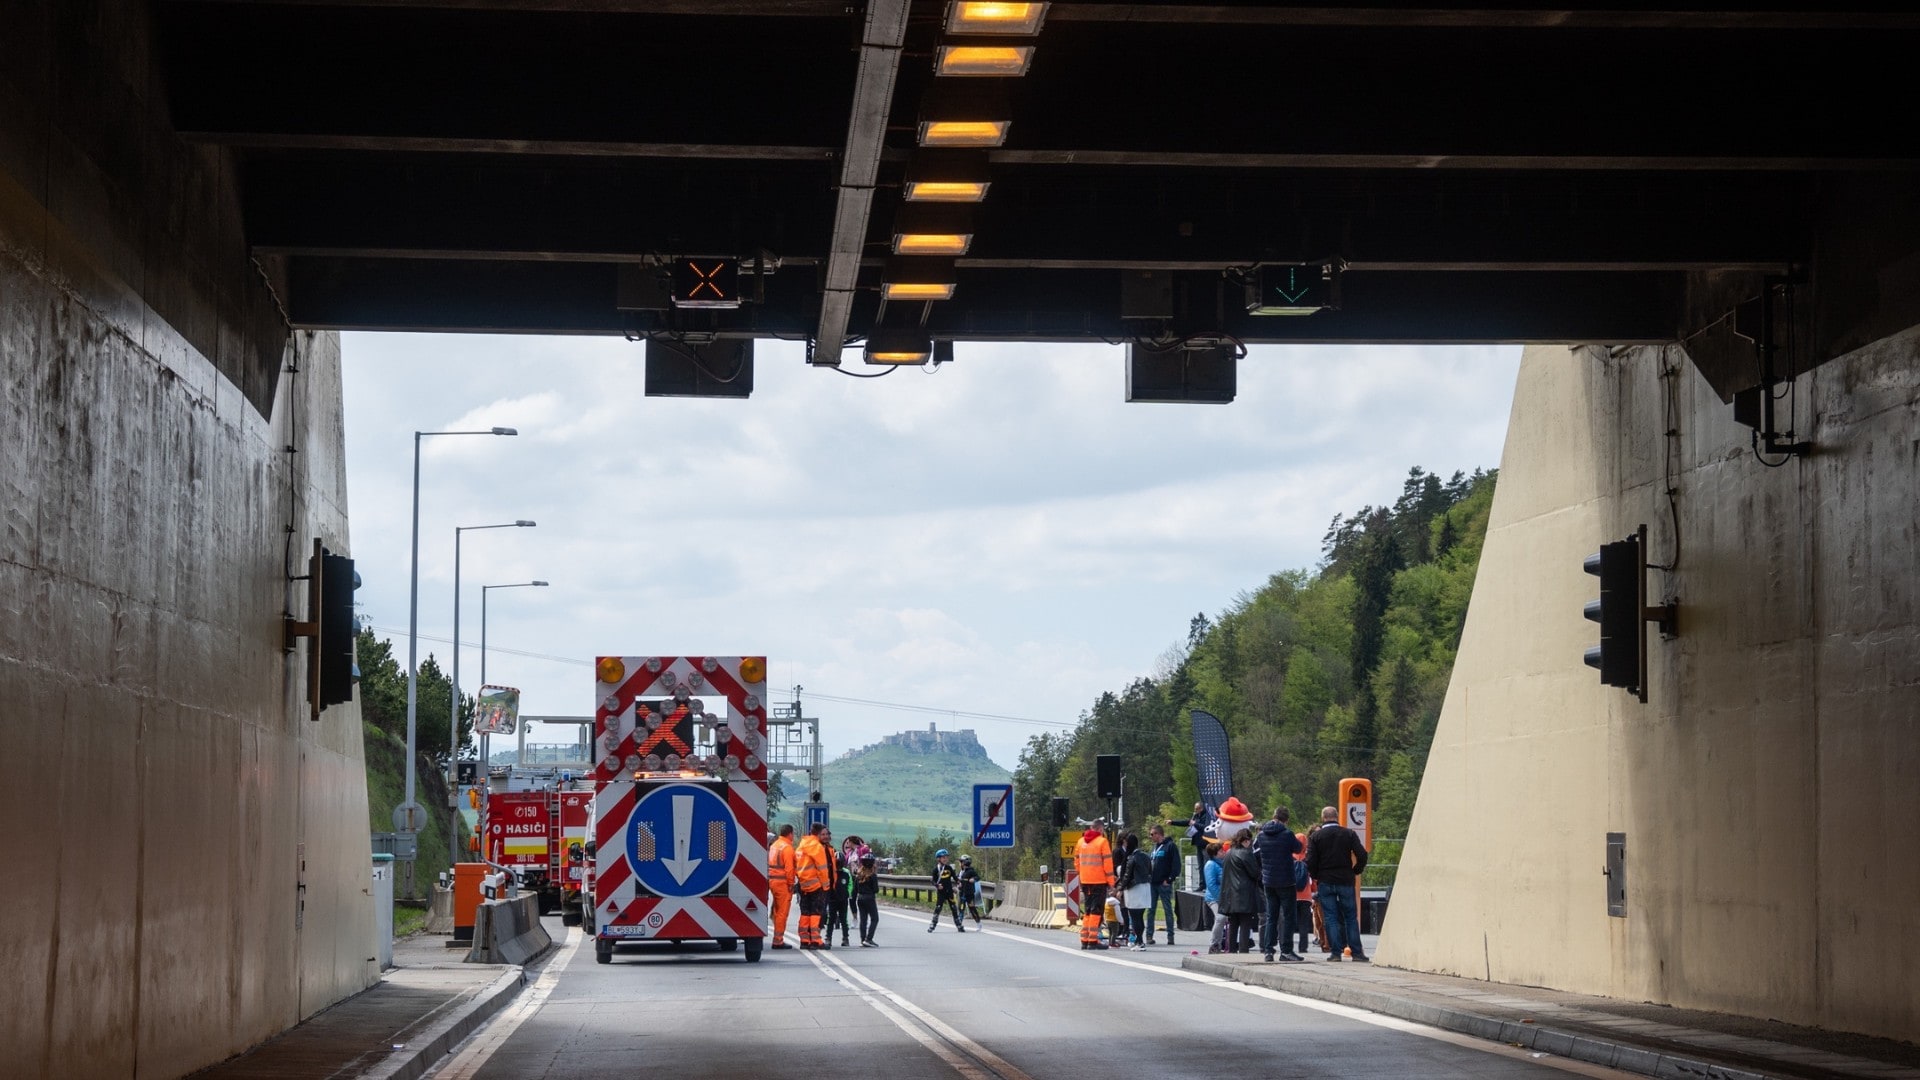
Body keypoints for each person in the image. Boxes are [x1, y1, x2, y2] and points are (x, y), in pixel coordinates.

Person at [1305, 805, 1370, 962]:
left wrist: (1316, 875)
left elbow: (1310, 861)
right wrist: (1356, 870)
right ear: (1337, 816)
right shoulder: (1348, 834)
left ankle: (1335, 953)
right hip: (1345, 880)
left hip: (1326, 881)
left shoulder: (1316, 837)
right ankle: (1357, 952)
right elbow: (1362, 854)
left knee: (1331, 917)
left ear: (1323, 818)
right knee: (1350, 917)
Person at [1254, 806, 1305, 962]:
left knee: (1271, 916)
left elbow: (1255, 854)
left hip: (1268, 881)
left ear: (1273, 816)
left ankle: (1268, 951)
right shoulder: (1287, 834)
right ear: (1286, 820)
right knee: (1289, 916)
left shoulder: (1261, 835)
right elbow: (1298, 848)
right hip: (1286, 880)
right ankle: (1286, 951)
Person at [1073, 820, 1114, 950]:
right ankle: (1093, 940)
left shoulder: (1080, 842)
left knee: (1088, 910)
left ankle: (1084, 939)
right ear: (1101, 829)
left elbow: (1076, 862)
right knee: (1096, 911)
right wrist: (1111, 882)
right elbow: (1107, 864)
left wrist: (1081, 875)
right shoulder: (1102, 842)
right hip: (1099, 881)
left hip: (1085, 881)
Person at [1220, 831, 1262, 953]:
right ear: (1246, 840)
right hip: (1244, 893)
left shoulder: (1229, 853)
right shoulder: (1246, 853)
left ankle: (1232, 949)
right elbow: (1255, 873)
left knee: (1233, 924)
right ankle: (1243, 950)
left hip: (1230, 894)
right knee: (1245, 923)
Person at [795, 823, 832, 949]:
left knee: (805, 912)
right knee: (816, 912)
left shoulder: (801, 845)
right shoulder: (817, 847)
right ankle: (816, 940)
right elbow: (822, 868)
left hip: (803, 884)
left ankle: (804, 940)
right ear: (818, 832)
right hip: (816, 885)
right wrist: (826, 885)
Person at [1145, 824, 1180, 945]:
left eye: (1152, 834)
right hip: (1152, 883)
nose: (1150, 836)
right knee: (1150, 910)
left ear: (1158, 834)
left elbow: (1176, 865)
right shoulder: (1154, 848)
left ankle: (1170, 936)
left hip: (1164, 883)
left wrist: (1169, 879)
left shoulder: (1170, 846)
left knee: (1167, 909)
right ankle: (1149, 935)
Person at [1119, 832, 1153, 950]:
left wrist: (1120, 889)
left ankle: (1139, 942)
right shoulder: (1145, 856)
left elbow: (1127, 876)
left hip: (1134, 889)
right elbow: (1150, 871)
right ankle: (1140, 940)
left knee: (1134, 917)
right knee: (1140, 917)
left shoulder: (1131, 858)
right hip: (1145, 888)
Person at [768, 824, 797, 950]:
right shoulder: (787, 848)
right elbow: (789, 869)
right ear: (790, 834)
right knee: (782, 913)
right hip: (782, 883)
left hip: (773, 881)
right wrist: (791, 884)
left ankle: (777, 938)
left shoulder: (774, 845)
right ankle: (778, 940)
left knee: (776, 911)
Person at [823, 829, 851, 948]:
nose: (838, 866)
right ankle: (828, 938)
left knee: (844, 920)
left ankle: (845, 938)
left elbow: (850, 885)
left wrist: (847, 894)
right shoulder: (831, 872)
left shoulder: (846, 873)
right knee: (831, 919)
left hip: (843, 900)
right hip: (833, 899)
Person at [929, 849, 967, 932]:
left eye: (946, 857)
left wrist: (958, 882)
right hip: (941, 892)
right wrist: (937, 885)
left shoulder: (949, 868)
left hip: (949, 891)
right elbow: (932, 880)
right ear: (938, 859)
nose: (945, 859)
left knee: (953, 907)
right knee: (938, 907)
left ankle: (959, 925)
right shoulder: (936, 869)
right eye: (943, 857)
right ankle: (933, 923)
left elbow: (954, 877)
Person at [1203, 842, 1227, 954]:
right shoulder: (1210, 865)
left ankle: (1222, 943)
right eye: (1221, 851)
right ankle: (1214, 944)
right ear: (1215, 853)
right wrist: (1220, 898)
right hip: (1213, 898)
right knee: (1220, 918)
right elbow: (1211, 884)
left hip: (1224, 896)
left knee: (1222, 920)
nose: (1224, 852)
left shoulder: (1222, 863)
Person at [852, 854, 881, 946]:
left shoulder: (858, 875)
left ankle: (862, 939)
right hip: (870, 898)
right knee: (875, 919)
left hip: (860, 898)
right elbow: (876, 889)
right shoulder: (873, 876)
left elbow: (855, 890)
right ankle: (869, 939)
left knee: (863, 920)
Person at [957, 854, 985, 926]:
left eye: (961, 862)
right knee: (961, 908)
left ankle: (978, 923)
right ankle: (960, 922)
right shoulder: (961, 872)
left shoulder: (970, 871)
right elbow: (957, 879)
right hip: (962, 893)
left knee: (972, 908)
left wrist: (973, 879)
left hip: (969, 893)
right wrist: (958, 883)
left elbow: (977, 877)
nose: (959, 864)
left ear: (964, 863)